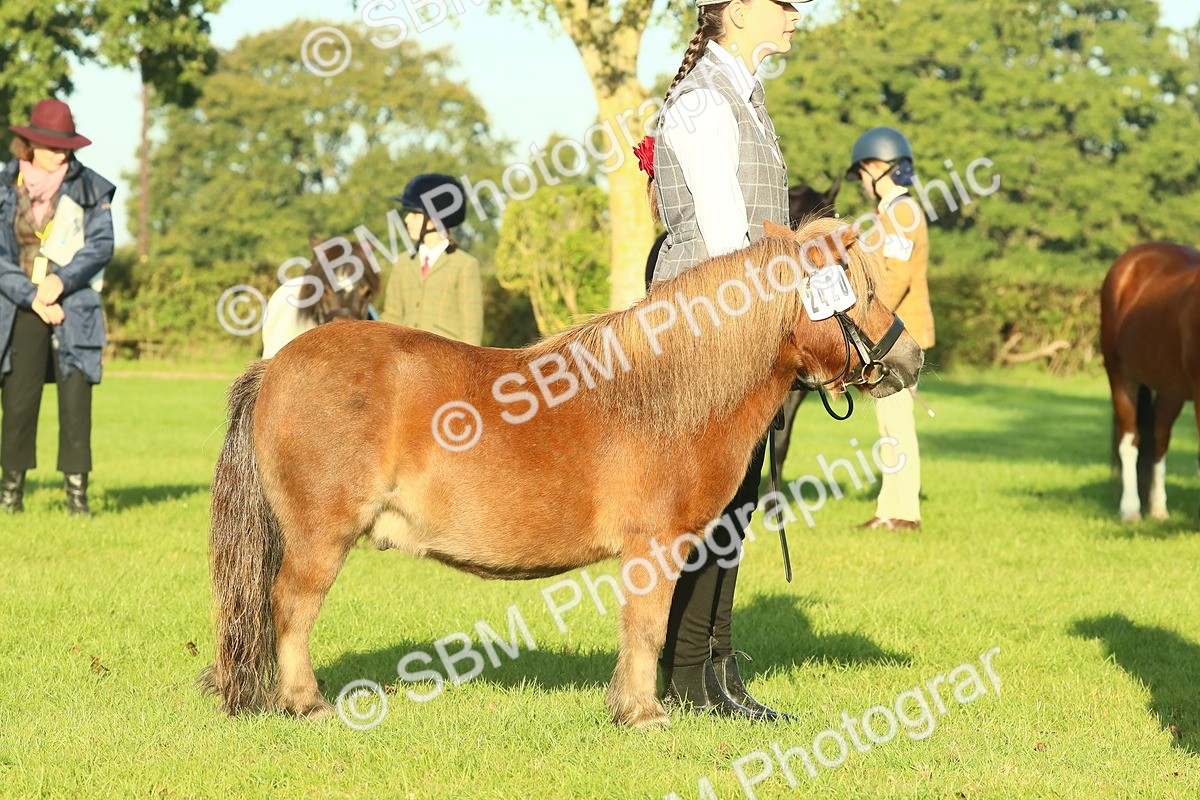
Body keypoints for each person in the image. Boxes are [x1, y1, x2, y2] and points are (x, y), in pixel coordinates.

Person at [638, 0, 809, 720]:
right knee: (703, 505)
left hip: (745, 317)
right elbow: (721, 235)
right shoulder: (705, 103)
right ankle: (683, 676)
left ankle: (715, 670)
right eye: (784, 5)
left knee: (734, 503)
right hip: (707, 322)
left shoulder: (741, 91)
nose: (797, 15)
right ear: (736, 13)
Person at [0, 99, 114, 516]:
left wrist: (59, 282)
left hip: (74, 305)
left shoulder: (91, 187)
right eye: (50, 146)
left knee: (75, 403)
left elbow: (102, 245)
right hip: (19, 307)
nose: (60, 153)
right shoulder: (3, 186)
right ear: (28, 145)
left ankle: (77, 500)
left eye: (65, 146)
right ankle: (10, 497)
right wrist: (31, 294)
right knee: (18, 402)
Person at [848, 126, 935, 530]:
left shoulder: (902, 212)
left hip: (898, 333)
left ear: (878, 168)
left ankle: (904, 512)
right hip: (893, 331)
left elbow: (896, 276)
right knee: (889, 422)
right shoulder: (892, 213)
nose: (864, 183)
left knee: (897, 422)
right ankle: (889, 507)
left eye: (864, 173)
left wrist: (869, 319)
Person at [379, 174, 483, 346]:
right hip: (403, 364)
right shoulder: (402, 263)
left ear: (435, 218)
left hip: (446, 366)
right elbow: (391, 317)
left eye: (414, 213)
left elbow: (471, 334)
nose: (407, 219)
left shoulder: (465, 265)